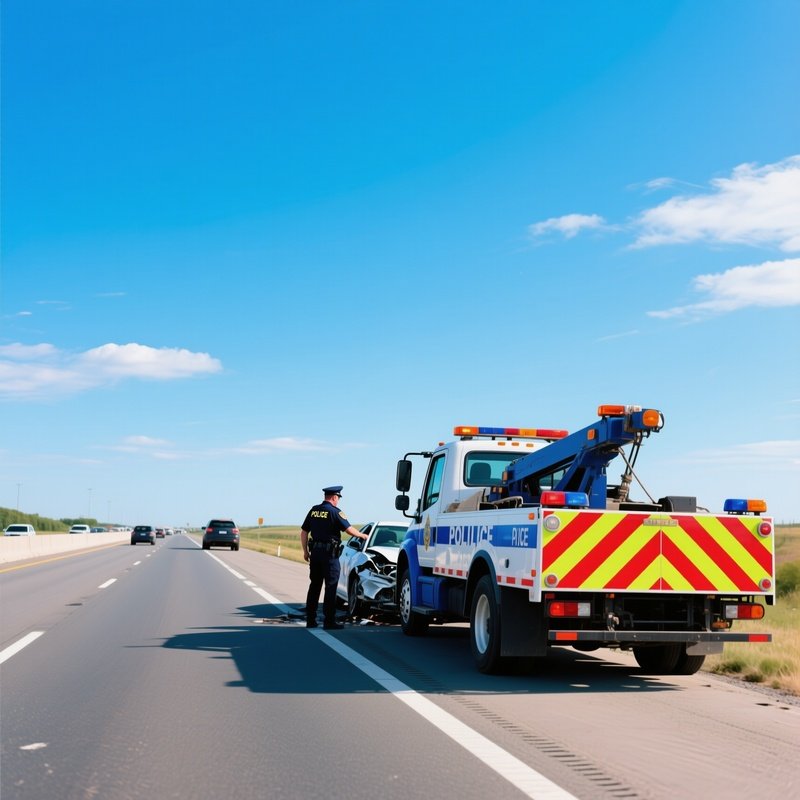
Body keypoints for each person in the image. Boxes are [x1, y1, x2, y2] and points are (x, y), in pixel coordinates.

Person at [300, 485, 368, 629]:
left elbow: (304, 532)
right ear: (334, 497)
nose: (338, 502)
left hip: (316, 554)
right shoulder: (335, 512)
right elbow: (348, 529)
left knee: (314, 586)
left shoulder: (314, 510)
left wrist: (305, 551)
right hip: (329, 556)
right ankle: (329, 621)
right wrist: (362, 535)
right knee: (331, 588)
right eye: (338, 499)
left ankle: (310, 620)